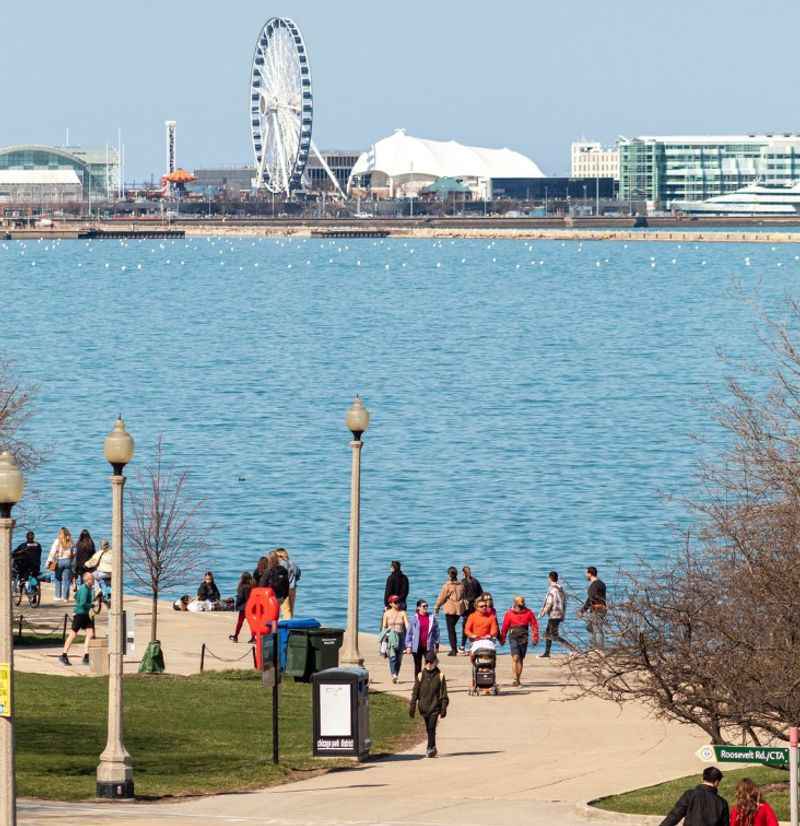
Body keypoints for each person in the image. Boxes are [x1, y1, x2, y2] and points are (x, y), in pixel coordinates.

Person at [409, 650, 449, 758]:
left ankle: (429, 748)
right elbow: (415, 692)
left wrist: (443, 708)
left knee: (431, 727)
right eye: (427, 662)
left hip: (435, 707)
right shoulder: (420, 676)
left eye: (431, 662)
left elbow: (444, 694)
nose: (429, 664)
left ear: (436, 662)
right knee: (429, 729)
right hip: (424, 707)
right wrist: (412, 706)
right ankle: (433, 746)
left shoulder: (440, 676)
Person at [659, 767, 729, 826]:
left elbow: (675, 816)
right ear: (717, 782)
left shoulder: (690, 794)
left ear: (703, 778)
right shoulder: (722, 803)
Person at [499, 596, 540, 686]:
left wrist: (535, 637)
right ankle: (515, 678)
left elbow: (534, 625)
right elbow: (505, 627)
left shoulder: (529, 612)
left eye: (523, 602)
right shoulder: (509, 613)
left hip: (524, 637)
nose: (522, 604)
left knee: (520, 659)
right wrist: (502, 639)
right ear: (515, 603)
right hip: (513, 636)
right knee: (515, 657)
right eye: (520, 603)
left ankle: (518, 679)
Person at [58, 571, 95, 666]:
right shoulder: (84, 589)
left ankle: (86, 655)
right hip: (79, 614)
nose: (94, 580)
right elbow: (82, 603)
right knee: (73, 634)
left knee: (90, 633)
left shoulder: (87, 588)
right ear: (88, 580)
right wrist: (91, 605)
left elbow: (75, 596)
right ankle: (64, 655)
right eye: (92, 579)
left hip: (85, 614)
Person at [539, 571, 576, 657]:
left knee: (554, 635)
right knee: (548, 633)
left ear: (549, 578)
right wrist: (563, 614)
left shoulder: (552, 590)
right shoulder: (560, 589)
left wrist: (543, 612)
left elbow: (549, 603)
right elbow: (564, 602)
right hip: (560, 613)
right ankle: (547, 653)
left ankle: (572, 649)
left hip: (554, 614)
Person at [405, 599, 440, 678]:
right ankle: (418, 683)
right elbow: (409, 633)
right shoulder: (414, 618)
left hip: (428, 646)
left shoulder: (431, 617)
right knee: (418, 666)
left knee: (430, 664)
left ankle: (428, 681)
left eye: (427, 606)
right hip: (416, 646)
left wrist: (437, 644)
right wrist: (408, 646)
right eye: (424, 606)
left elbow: (436, 631)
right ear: (418, 608)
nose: (426, 607)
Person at [434, 567, 464, 656]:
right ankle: (456, 647)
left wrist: (437, 607)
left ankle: (454, 649)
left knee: (451, 630)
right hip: (459, 609)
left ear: (449, 575)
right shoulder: (461, 584)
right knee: (453, 628)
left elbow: (441, 598)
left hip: (450, 608)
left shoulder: (447, 585)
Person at [380, 595, 409, 683]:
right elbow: (384, 627)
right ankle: (394, 675)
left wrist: (410, 636)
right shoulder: (386, 613)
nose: (398, 604)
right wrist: (383, 639)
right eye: (395, 602)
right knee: (392, 657)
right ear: (391, 603)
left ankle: (396, 673)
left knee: (399, 658)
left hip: (401, 636)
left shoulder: (403, 613)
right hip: (391, 636)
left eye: (399, 602)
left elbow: (407, 625)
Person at [580, 566, 607, 650]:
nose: (586, 575)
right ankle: (593, 647)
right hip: (601, 609)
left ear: (590, 574)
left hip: (597, 609)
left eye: (586, 573)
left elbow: (590, 599)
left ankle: (599, 649)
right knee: (590, 627)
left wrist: (582, 610)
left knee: (597, 629)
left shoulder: (594, 585)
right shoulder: (601, 583)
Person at [47, 527, 75, 602]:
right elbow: (74, 552)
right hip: (68, 561)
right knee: (67, 580)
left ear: (60, 534)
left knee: (57, 578)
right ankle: (65, 598)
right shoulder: (71, 541)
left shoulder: (57, 541)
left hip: (59, 561)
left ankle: (57, 596)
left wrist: (48, 561)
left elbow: (52, 552)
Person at [460, 566, 483, 653]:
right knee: (474, 627)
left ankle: (462, 646)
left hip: (466, 608)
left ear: (463, 573)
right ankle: (473, 645)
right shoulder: (476, 581)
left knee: (465, 627)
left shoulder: (462, 582)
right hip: (475, 607)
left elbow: (460, 595)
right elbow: (481, 594)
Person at [276, 548, 301, 619]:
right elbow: (298, 573)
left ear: (279, 556)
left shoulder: (280, 564)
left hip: (284, 589)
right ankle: (291, 624)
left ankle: (287, 627)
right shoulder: (292, 563)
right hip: (293, 588)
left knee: (285, 609)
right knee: (291, 609)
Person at [230, 572, 255, 643]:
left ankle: (236, 636)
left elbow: (242, 597)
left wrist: (237, 604)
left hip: (244, 607)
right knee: (251, 623)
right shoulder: (251, 587)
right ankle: (253, 637)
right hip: (249, 607)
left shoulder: (243, 587)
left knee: (240, 622)